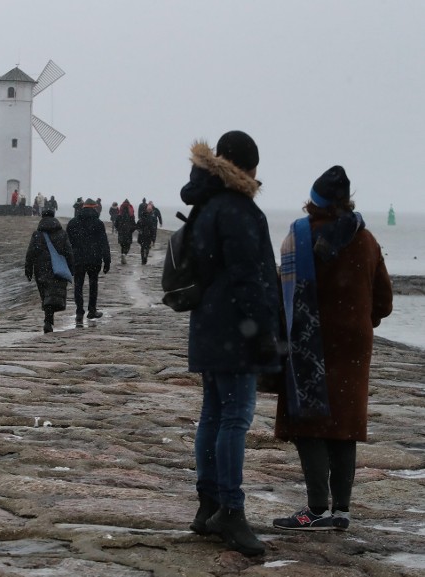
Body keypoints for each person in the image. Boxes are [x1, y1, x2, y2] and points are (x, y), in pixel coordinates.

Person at [272, 166, 393, 531]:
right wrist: (358, 319)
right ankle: (342, 510)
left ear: (314, 201)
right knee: (345, 422)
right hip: (353, 344)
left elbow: (283, 297)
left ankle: (315, 509)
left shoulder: (299, 236)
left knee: (308, 422)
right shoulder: (367, 239)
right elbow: (384, 302)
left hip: (310, 341)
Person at [181, 131, 280, 557]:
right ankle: (231, 511)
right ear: (248, 168)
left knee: (214, 415)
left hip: (209, 326)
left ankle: (209, 503)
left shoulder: (205, 204)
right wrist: (263, 334)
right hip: (235, 331)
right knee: (235, 419)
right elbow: (248, 279)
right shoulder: (239, 210)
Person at [24, 209, 74, 333]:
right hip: (57, 269)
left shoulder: (37, 234)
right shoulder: (62, 234)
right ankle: (48, 320)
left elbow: (30, 253)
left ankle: (48, 320)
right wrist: (71, 268)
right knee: (53, 295)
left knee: (46, 295)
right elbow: (69, 252)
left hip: (41, 269)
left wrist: (28, 269)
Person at [66, 199, 111, 324]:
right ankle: (91, 310)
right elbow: (104, 243)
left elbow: (67, 243)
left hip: (78, 258)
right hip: (94, 258)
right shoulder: (98, 223)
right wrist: (107, 260)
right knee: (93, 284)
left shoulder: (73, 222)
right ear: (94, 208)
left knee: (78, 285)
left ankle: (79, 312)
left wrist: (68, 258)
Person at [115, 199, 135, 264]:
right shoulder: (131, 213)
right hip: (128, 232)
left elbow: (116, 223)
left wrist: (118, 229)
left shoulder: (120, 213)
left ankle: (123, 255)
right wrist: (132, 230)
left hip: (121, 232)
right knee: (128, 245)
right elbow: (133, 223)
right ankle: (124, 254)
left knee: (122, 245)